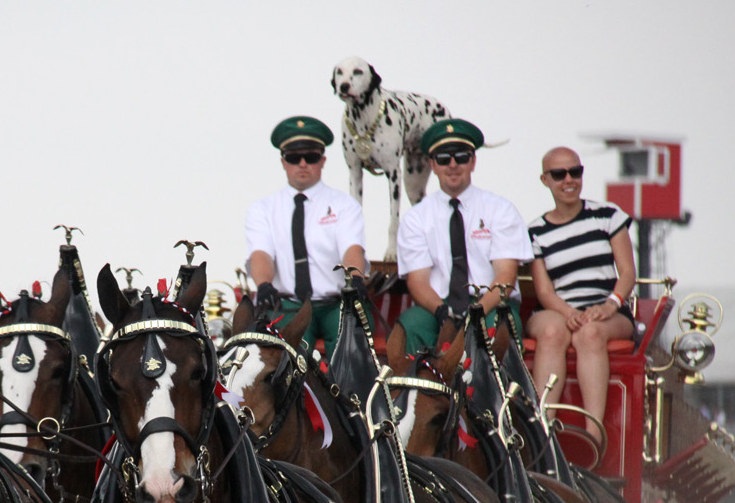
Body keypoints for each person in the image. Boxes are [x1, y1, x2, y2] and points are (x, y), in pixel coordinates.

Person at [394, 118, 532, 356]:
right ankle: (413, 394)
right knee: (411, 325)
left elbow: (506, 276)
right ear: (432, 165)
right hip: (438, 306)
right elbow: (417, 281)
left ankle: (506, 394)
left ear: (473, 162)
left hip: (490, 304)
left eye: (461, 157)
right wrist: (441, 312)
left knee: (498, 327)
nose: (453, 165)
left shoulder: (500, 209)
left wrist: (477, 311)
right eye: (443, 159)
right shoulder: (416, 217)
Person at [527, 146, 636, 443]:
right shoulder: (535, 231)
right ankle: (543, 433)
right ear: (545, 180)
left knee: (589, 334)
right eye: (559, 174)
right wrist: (569, 313)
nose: (568, 180)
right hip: (558, 308)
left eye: (575, 172)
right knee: (551, 332)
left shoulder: (608, 215)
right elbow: (544, 291)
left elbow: (627, 273)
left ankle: (592, 435)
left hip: (608, 309)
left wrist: (610, 305)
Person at [246, 115, 366, 359]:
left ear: (322, 160)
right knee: (286, 364)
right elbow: (261, 254)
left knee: (353, 357)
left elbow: (351, 248)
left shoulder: (344, 205)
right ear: (283, 162)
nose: (302, 163)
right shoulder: (263, 209)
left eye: (310, 157)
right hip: (290, 304)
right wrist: (264, 285)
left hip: (337, 304)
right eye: (293, 157)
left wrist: (355, 278)